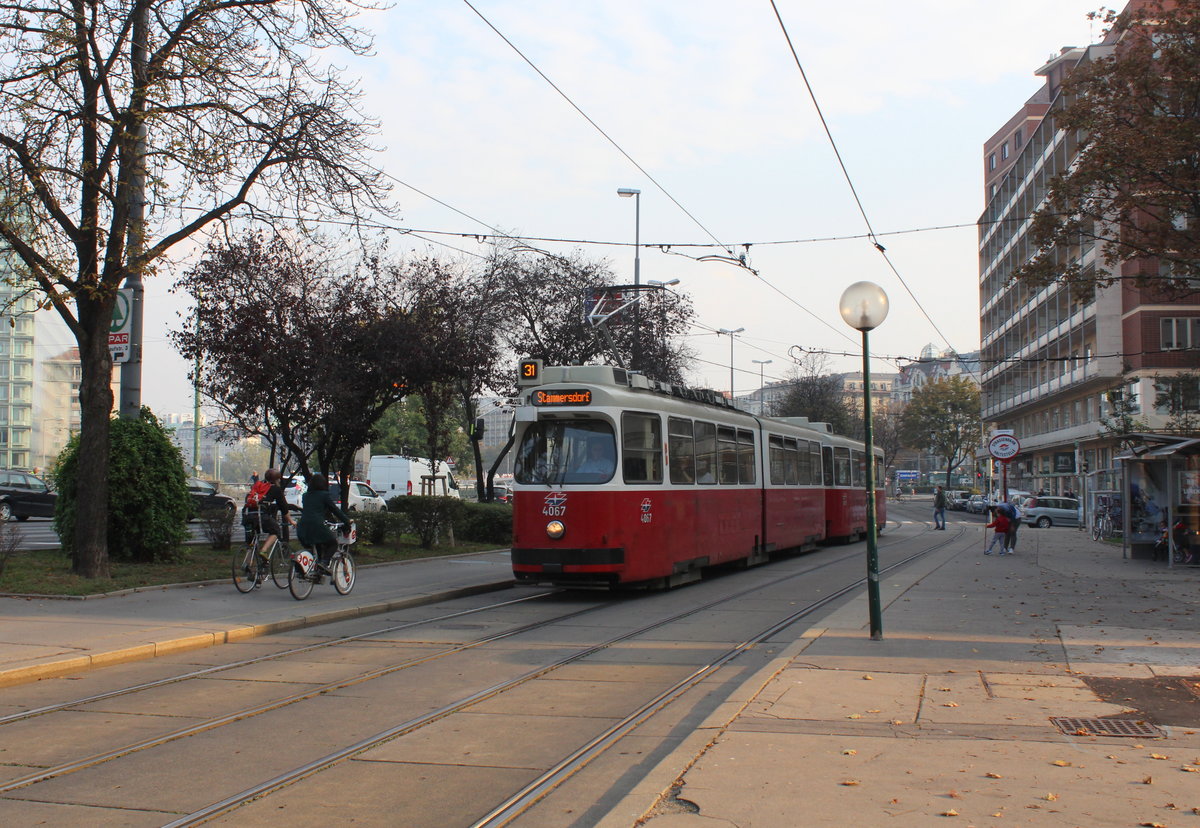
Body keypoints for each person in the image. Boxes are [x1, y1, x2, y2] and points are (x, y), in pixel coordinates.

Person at [296, 475, 351, 572]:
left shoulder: (305, 496)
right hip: (317, 524)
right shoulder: (324, 495)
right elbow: (334, 509)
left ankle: (317, 570)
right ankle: (324, 563)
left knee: (318, 543)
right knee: (333, 543)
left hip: (302, 526)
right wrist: (346, 520)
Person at [242, 468, 294, 560]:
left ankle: (247, 563)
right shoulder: (275, 489)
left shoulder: (257, 485)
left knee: (252, 541)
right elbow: (284, 508)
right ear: (277, 479)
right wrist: (292, 521)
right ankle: (264, 550)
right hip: (261, 516)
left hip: (247, 515)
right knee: (275, 530)